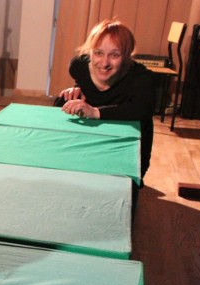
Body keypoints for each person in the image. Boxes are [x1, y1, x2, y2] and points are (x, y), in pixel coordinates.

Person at [56, 18, 155, 180]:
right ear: (90, 52)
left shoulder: (141, 78)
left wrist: (95, 112)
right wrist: (77, 88)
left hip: (126, 145)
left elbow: (142, 109)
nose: (104, 63)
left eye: (114, 55)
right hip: (91, 141)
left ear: (127, 55)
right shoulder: (78, 67)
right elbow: (83, 82)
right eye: (98, 53)